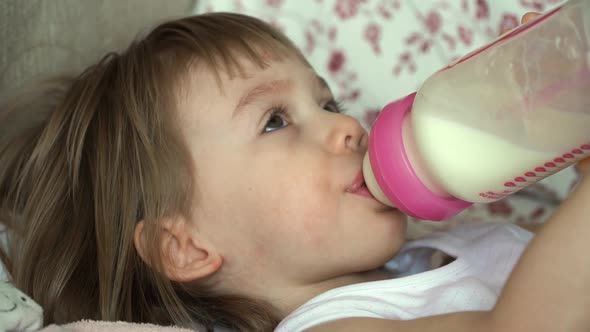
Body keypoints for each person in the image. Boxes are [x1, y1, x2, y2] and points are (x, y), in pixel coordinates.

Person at [0, 11, 588, 332]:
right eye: (276, 121)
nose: (350, 126)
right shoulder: (333, 328)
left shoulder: (443, 252)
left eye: (327, 103)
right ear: (184, 246)